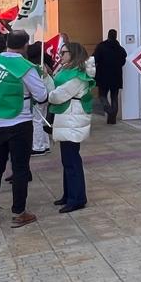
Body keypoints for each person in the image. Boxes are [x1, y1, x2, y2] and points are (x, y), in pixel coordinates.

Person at [0, 31, 48, 227]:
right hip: (19, 123)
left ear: (7, 43)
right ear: (26, 45)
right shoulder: (24, 66)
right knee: (20, 169)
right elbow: (41, 95)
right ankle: (18, 213)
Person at [49, 41, 95, 212]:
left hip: (72, 120)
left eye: (63, 52)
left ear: (73, 54)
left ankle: (77, 199)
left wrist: (48, 92)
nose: (60, 56)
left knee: (72, 161)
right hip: (68, 119)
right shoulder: (68, 70)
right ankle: (69, 194)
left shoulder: (78, 75)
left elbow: (58, 96)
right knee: (67, 160)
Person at [93, 29, 127, 125]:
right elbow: (123, 61)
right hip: (116, 77)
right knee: (114, 97)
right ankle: (112, 120)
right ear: (116, 36)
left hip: (103, 76)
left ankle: (109, 111)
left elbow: (94, 59)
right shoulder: (120, 49)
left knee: (102, 96)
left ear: (108, 35)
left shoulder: (101, 46)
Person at [26, 41, 53, 157]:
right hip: (47, 95)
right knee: (42, 120)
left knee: (36, 121)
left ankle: (38, 147)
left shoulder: (34, 67)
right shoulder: (43, 65)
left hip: (38, 98)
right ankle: (45, 145)